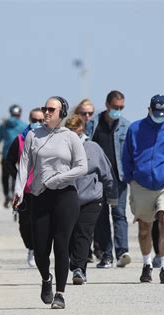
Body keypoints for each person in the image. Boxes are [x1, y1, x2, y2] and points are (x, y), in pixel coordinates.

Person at [13, 96, 87, 309]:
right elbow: (24, 165)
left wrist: (57, 179)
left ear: (61, 113)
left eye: (51, 109)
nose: (46, 112)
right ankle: (46, 278)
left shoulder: (70, 137)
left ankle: (60, 294)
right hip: (40, 195)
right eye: (45, 109)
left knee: (62, 245)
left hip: (65, 196)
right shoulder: (33, 136)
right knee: (40, 249)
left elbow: (81, 167)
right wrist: (19, 191)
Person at [123, 94, 164, 284]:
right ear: (149, 110)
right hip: (141, 183)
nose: (160, 116)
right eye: (156, 112)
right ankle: (147, 264)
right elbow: (126, 155)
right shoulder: (135, 128)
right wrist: (130, 179)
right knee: (144, 228)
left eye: (163, 113)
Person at [65, 115, 117, 284]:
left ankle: (79, 269)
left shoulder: (93, 148)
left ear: (82, 130)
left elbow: (106, 173)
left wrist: (112, 195)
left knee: (83, 233)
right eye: (69, 131)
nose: (73, 135)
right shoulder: (60, 148)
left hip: (91, 199)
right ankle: (75, 264)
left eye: (76, 131)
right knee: (68, 235)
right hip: (66, 198)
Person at [86, 90, 131, 269]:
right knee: (101, 216)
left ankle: (122, 253)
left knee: (119, 214)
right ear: (107, 105)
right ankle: (106, 255)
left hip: (118, 179)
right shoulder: (93, 124)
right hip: (97, 179)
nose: (118, 110)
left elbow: (130, 152)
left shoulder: (126, 126)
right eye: (115, 107)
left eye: (121, 107)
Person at [5, 108, 45, 267]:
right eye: (35, 120)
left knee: (42, 222)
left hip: (43, 189)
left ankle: (41, 250)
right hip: (24, 190)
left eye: (41, 120)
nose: (38, 123)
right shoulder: (20, 140)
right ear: (29, 119)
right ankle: (31, 248)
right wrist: (18, 177)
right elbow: (8, 161)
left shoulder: (50, 139)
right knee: (25, 223)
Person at [0, 104, 27, 208]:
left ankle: (6, 194)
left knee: (4, 176)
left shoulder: (4, 125)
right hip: (20, 153)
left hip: (6, 154)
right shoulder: (24, 125)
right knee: (17, 174)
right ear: (20, 114)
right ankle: (14, 193)